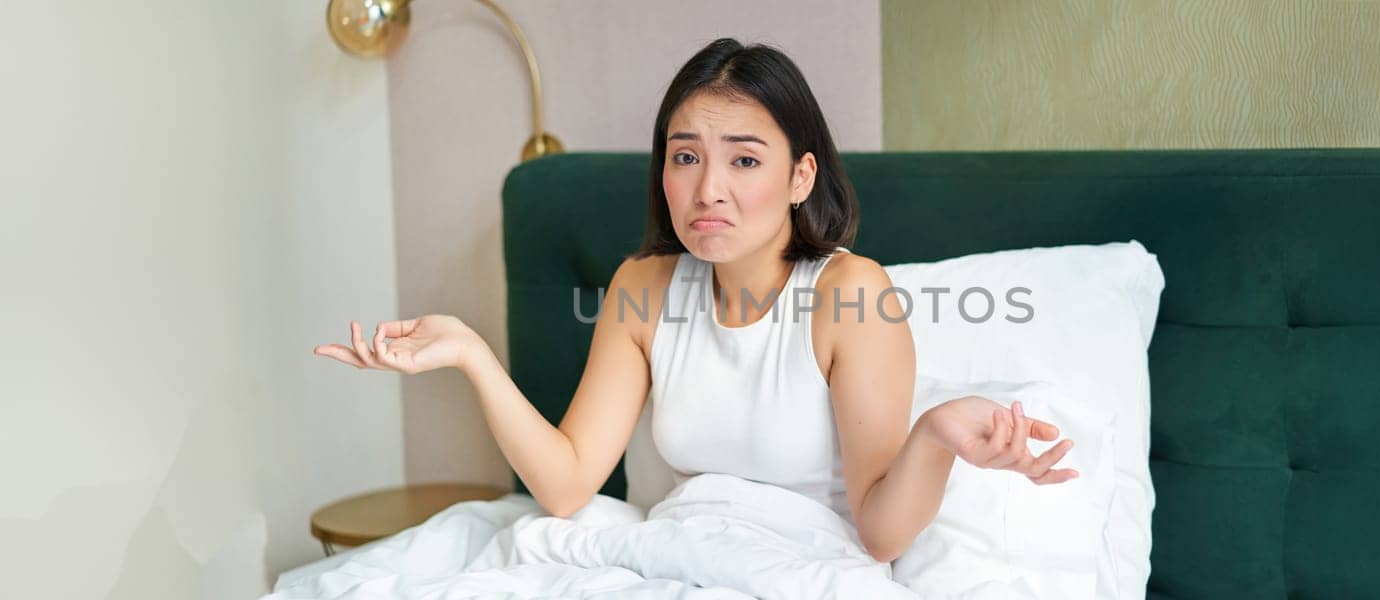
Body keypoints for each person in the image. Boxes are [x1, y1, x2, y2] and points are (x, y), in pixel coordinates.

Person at [313, 37, 1077, 564]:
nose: (708, 189)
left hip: (802, 570)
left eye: (745, 159)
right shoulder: (642, 287)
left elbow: (881, 534)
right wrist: (471, 356)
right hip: (671, 558)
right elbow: (568, 481)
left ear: (801, 177)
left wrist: (935, 435)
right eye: (685, 158)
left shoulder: (849, 292)